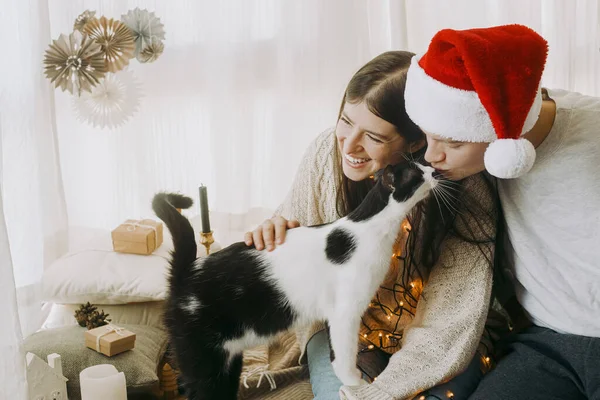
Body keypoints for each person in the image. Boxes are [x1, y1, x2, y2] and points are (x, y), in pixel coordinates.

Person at [242, 50, 507, 400]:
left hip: (443, 342)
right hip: (344, 328)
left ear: (416, 141)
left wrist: (384, 392)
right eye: (346, 121)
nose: (349, 145)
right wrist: (276, 232)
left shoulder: (464, 188)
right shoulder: (326, 154)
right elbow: (293, 228)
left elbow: (451, 322)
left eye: (375, 137)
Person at [402, 24, 600, 400]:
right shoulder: (471, 164)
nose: (431, 156)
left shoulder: (591, 134)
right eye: (429, 136)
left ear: (503, 138)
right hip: (547, 342)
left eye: (453, 142)